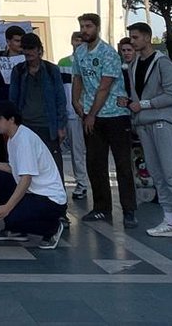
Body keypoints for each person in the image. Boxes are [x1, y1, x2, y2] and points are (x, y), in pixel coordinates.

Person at [124, 23, 172, 246]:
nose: (132, 41)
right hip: (144, 124)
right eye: (131, 37)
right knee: (157, 173)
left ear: (147, 38)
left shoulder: (163, 63)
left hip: (161, 122)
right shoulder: (133, 64)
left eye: (136, 37)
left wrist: (144, 104)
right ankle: (169, 219)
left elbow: (171, 95)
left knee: (170, 173)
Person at [71, 13, 137, 227]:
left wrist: (92, 115)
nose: (85, 30)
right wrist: (75, 101)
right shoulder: (80, 52)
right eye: (82, 26)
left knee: (123, 165)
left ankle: (129, 210)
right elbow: (78, 78)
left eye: (88, 26)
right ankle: (101, 207)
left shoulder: (108, 53)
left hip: (114, 116)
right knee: (95, 163)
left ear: (97, 28)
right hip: (90, 116)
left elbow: (105, 86)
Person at [0, 101, 67, 249]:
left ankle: (51, 228)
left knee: (13, 217)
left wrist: (7, 207)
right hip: (34, 193)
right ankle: (15, 229)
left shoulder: (24, 140)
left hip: (49, 199)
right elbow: (12, 168)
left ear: (11, 119)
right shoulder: (13, 138)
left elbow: (26, 179)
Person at [8, 33, 67, 175]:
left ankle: (57, 197)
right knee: (28, 168)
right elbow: (13, 100)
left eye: (31, 48)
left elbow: (60, 99)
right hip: (26, 126)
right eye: (25, 48)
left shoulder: (52, 70)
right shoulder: (18, 70)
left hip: (48, 127)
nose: (28, 52)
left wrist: (61, 126)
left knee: (54, 168)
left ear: (39, 49)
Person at [57, 31, 89, 200]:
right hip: (68, 114)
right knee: (70, 151)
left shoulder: (89, 62)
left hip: (84, 113)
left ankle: (82, 183)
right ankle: (74, 183)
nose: (78, 43)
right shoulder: (62, 63)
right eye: (75, 40)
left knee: (80, 152)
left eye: (81, 41)